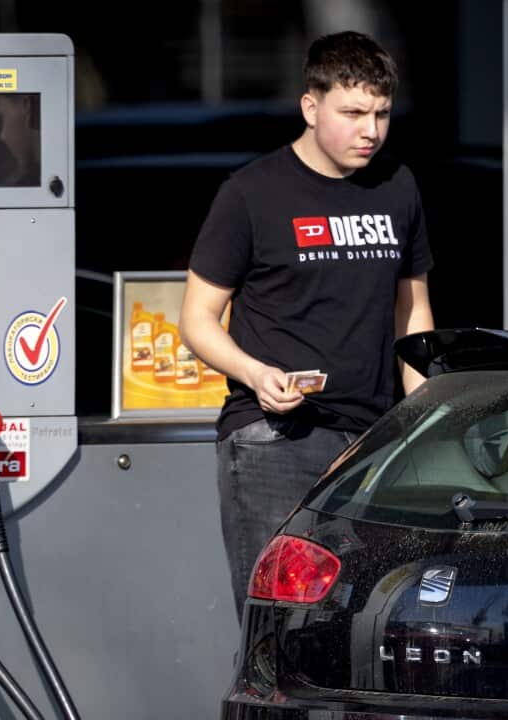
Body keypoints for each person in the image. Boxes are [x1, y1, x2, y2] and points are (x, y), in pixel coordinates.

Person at [180, 31, 435, 614]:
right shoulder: (252, 193)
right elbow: (197, 319)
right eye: (353, 113)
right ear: (311, 106)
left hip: (374, 439)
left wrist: (420, 417)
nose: (370, 130)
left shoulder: (398, 186)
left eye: (381, 113)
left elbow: (412, 309)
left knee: (362, 624)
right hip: (275, 439)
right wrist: (255, 372)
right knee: (278, 626)